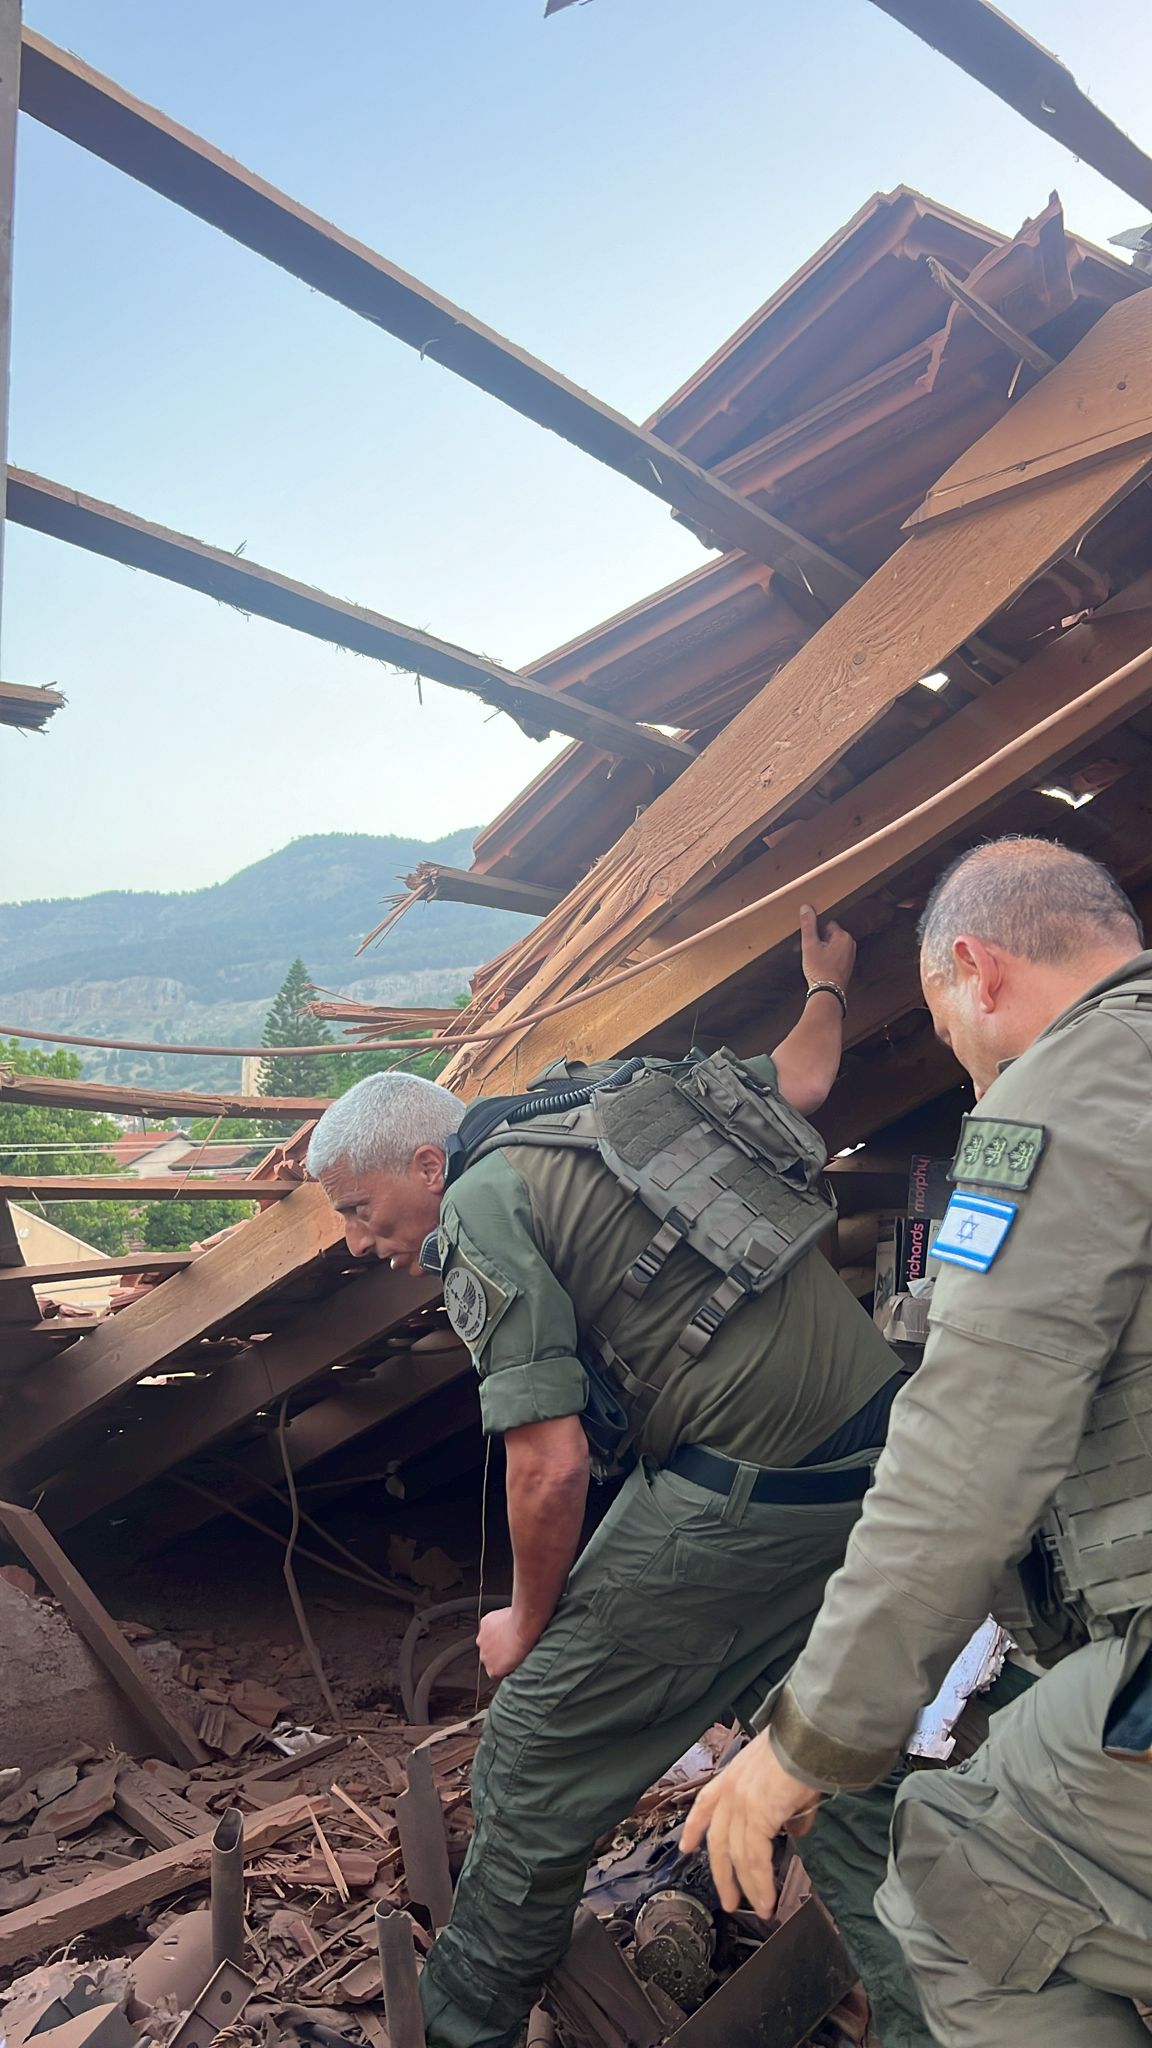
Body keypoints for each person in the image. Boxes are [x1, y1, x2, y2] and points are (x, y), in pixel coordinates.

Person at [306, 909, 930, 2048]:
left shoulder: (482, 1204)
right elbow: (802, 1075)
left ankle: (460, 2034)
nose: (357, 1239)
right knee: (831, 1761)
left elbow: (549, 1465)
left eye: (358, 1206)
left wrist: (525, 1623)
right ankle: (926, 2013)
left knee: (533, 1750)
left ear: (428, 1162)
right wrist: (827, 979)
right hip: (872, 1468)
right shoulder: (624, 1097)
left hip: (749, 1481)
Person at [684, 836, 1152, 2045]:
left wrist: (805, 1745)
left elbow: (966, 1452)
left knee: (964, 1881)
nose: (969, 1070)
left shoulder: (1055, 1097)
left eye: (951, 1031)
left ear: (976, 972)